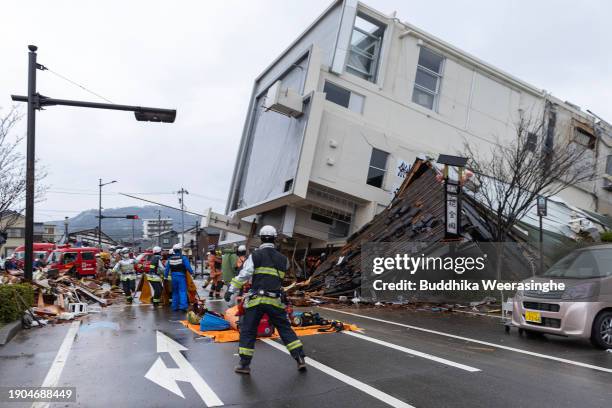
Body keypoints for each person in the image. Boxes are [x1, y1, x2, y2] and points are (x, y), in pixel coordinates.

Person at [225, 225, 306, 374]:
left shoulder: (255, 256)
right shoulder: (283, 260)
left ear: (261, 238)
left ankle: (244, 365)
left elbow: (244, 275)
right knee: (285, 329)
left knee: (248, 330)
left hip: (256, 300)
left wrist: (230, 290)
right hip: (275, 300)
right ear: (275, 239)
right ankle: (300, 358)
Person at [164, 243, 193, 311]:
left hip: (173, 277)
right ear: (180, 250)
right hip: (181, 276)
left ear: (174, 250)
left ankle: (174, 306)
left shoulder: (170, 259)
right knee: (182, 291)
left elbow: (167, 269)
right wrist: (192, 273)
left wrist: (165, 277)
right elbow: (188, 267)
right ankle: (183, 306)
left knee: (175, 292)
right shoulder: (183, 258)